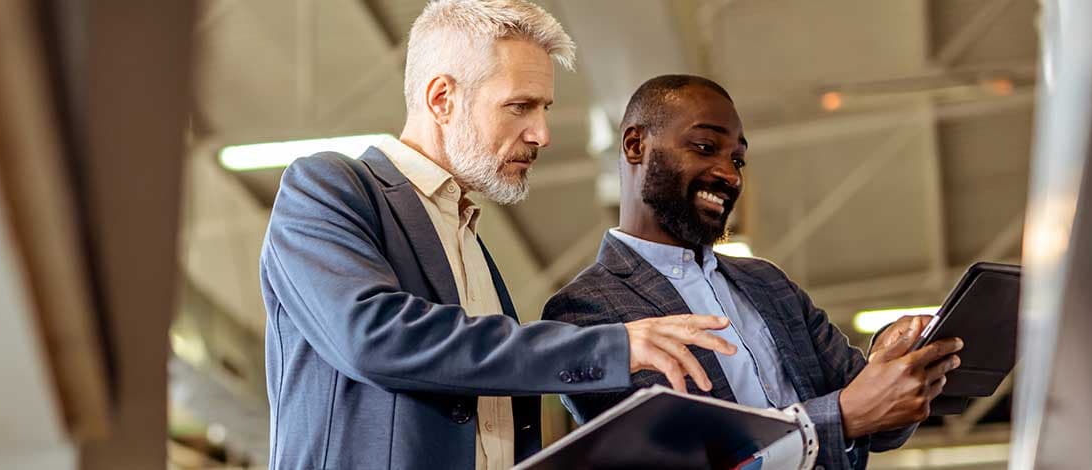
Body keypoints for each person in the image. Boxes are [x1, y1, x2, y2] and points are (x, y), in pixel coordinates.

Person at [260, 3, 741, 469]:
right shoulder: (327, 188)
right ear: (441, 99)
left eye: (544, 108)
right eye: (520, 106)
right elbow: (374, 336)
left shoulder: (468, 237)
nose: (542, 134)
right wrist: (610, 348)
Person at [541, 74, 964, 470]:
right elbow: (671, 459)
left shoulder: (769, 285)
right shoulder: (584, 311)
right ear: (636, 145)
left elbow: (874, 418)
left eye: (738, 160)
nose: (728, 174)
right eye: (706, 147)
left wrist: (893, 368)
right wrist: (839, 416)